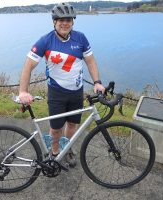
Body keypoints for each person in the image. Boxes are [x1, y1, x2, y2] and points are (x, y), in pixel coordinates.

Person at [19, 2, 105, 167]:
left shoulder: (80, 38)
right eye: (61, 20)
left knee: (72, 124)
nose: (65, 23)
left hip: (76, 92)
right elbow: (28, 66)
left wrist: (97, 82)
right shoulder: (45, 41)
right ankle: (55, 151)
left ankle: (67, 148)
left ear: (73, 22)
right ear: (54, 22)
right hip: (56, 93)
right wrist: (23, 91)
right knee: (56, 128)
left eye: (68, 20)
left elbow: (91, 61)